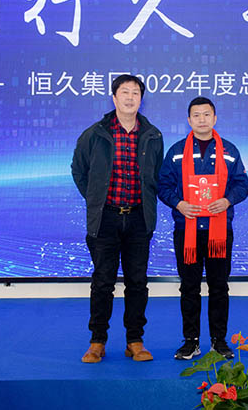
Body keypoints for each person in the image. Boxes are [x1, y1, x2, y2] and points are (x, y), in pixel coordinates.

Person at [71, 74, 164, 363]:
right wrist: (96, 199)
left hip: (138, 219)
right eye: (125, 92)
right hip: (105, 219)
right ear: (114, 97)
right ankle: (97, 341)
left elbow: (156, 176)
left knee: (137, 282)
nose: (130, 97)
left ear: (141, 99)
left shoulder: (153, 135)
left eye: (135, 92)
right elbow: (79, 170)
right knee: (103, 282)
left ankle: (135, 340)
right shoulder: (94, 134)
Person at [158, 96, 248, 361]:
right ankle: (191, 341)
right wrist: (179, 204)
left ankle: (219, 341)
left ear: (215, 118)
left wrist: (227, 200)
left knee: (219, 286)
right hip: (186, 230)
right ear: (189, 120)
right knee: (189, 287)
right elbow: (162, 186)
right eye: (196, 115)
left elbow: (243, 185)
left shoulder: (229, 150)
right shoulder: (176, 151)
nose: (201, 119)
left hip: (219, 232)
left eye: (206, 114)